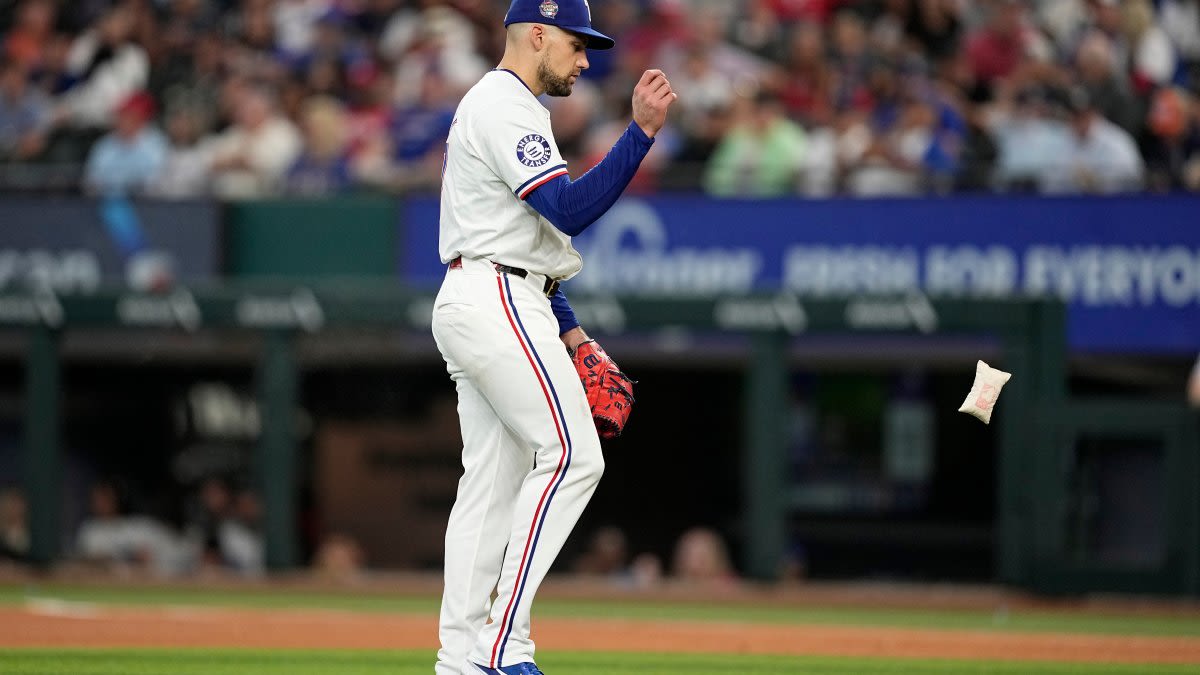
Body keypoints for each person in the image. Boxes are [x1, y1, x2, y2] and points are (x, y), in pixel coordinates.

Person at [431, 1, 675, 674]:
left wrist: (568, 330)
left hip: (494, 292)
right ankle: (503, 645)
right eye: (575, 42)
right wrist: (640, 136)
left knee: (491, 486)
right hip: (495, 297)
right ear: (537, 33)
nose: (584, 59)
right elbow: (566, 208)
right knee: (572, 455)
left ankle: (459, 661)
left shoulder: (504, 106)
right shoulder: (505, 102)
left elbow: (533, 240)